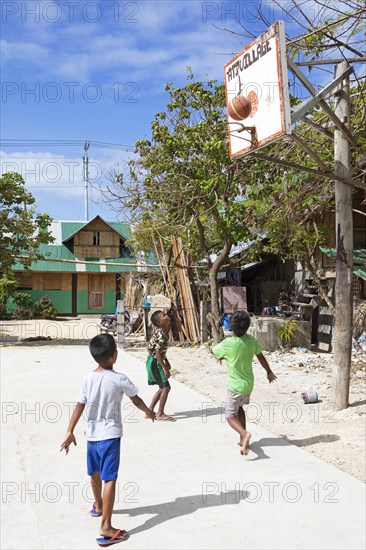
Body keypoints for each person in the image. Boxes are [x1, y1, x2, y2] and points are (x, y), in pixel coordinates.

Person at [60, 333, 155, 547]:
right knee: (109, 479)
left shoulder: (88, 378)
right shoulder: (119, 378)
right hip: (110, 435)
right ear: (114, 356)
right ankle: (106, 527)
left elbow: (79, 405)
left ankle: (99, 505)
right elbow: (136, 399)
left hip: (91, 435)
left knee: (94, 473)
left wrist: (69, 430)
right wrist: (149, 412)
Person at [211, 310, 277, 456]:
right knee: (239, 408)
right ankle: (242, 440)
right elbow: (261, 357)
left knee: (229, 416)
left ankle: (244, 433)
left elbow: (213, 351)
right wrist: (269, 372)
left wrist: (221, 357)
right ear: (247, 326)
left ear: (230, 327)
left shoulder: (228, 343)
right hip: (248, 385)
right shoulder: (252, 341)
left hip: (235, 387)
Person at [146, 309, 175, 421]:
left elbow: (160, 352)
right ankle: (160, 414)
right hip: (154, 362)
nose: (167, 316)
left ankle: (150, 411)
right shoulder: (162, 334)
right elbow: (157, 353)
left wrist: (167, 362)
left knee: (161, 388)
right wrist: (165, 369)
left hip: (153, 361)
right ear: (159, 322)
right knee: (166, 387)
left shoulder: (162, 332)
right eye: (164, 315)